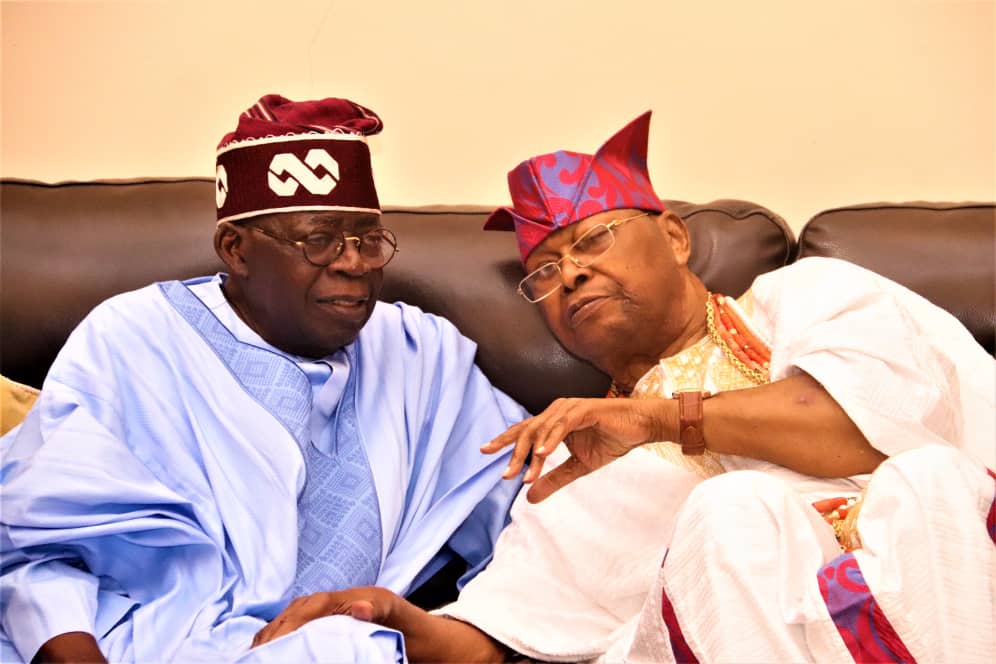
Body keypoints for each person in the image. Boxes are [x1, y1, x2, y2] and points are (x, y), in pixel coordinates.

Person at [248, 111, 995, 663]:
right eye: (545, 272)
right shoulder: (576, 462)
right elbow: (504, 637)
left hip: (945, 579)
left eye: (593, 240)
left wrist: (660, 421)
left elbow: (863, 427)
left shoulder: (811, 295)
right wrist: (397, 617)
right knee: (732, 513)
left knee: (928, 482)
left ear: (673, 237)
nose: (569, 273)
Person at [0, 95, 529, 663]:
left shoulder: (419, 353)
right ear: (237, 251)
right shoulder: (135, 338)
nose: (355, 263)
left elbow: (530, 506)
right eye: (320, 240)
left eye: (368, 240)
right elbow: (34, 551)